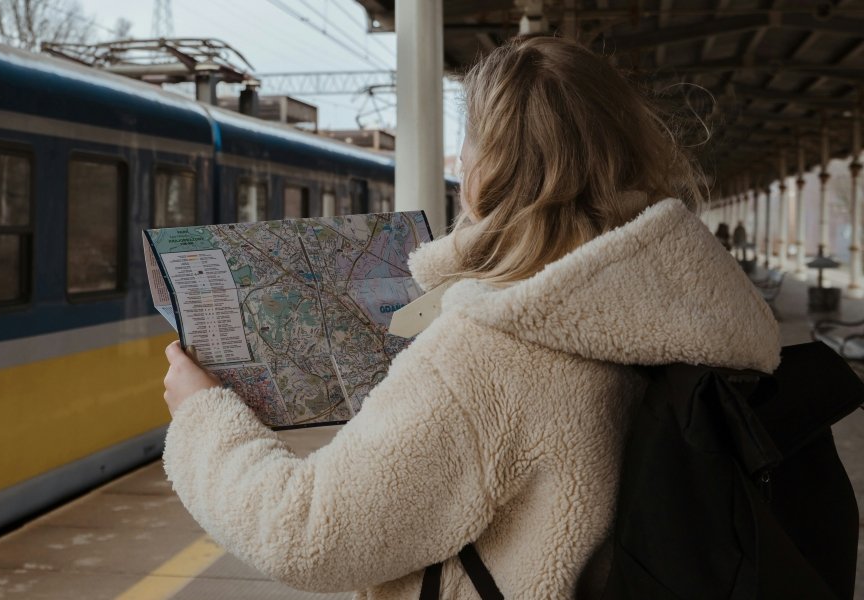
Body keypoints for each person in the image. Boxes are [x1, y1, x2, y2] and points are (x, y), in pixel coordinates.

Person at [161, 34, 779, 599]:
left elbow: (305, 534)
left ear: (486, 167)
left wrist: (201, 417)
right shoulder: (680, 303)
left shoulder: (489, 351)